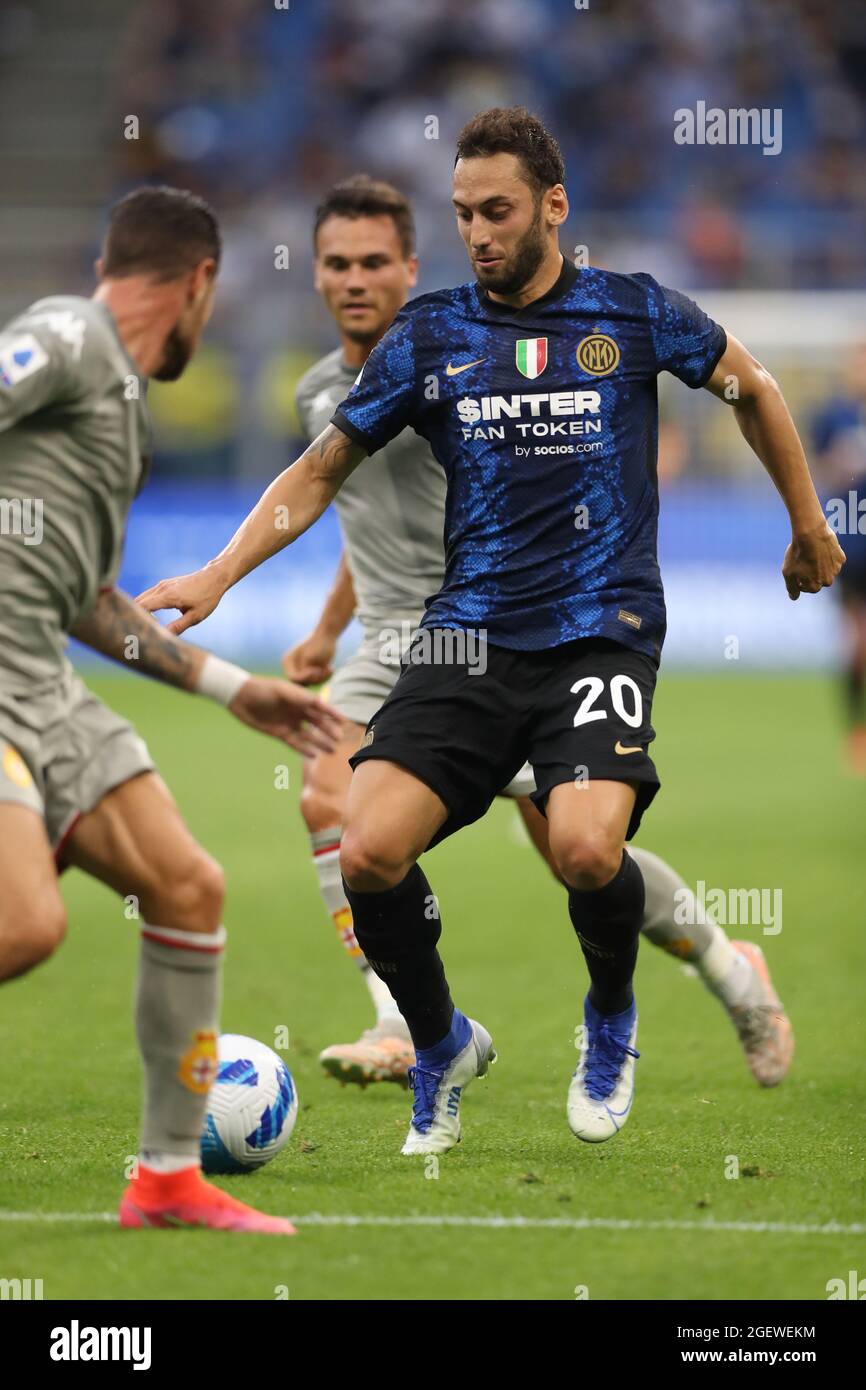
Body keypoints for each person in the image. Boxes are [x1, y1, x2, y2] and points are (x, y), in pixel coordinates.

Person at [138, 109, 843, 1155]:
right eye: (463, 212)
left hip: (599, 632)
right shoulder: (430, 338)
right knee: (367, 847)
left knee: (584, 847)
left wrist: (804, 521)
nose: (478, 232)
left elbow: (755, 387)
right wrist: (220, 572)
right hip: (462, 639)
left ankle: (609, 1016)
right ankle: (436, 1040)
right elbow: (325, 472)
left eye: (496, 211)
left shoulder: (631, 311)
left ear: (553, 207)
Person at [287, 174, 795, 1092]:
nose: (353, 281)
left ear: (411, 269)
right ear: (315, 277)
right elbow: (363, 524)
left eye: (373, 263)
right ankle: (402, 1020)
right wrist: (329, 631)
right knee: (330, 798)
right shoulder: (320, 392)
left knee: (580, 854)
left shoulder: (461, 354)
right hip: (398, 642)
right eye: (334, 264)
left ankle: (729, 967)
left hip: (509, 632)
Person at [0, 186, 342, 1233]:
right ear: (198, 281)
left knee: (187, 887)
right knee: (26, 924)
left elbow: (91, 602)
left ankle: (165, 1181)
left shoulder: (120, 409)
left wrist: (236, 688)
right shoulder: (64, 334)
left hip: (46, 684)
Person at [811, 344, 866, 774]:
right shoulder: (834, 416)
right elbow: (821, 471)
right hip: (851, 540)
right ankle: (856, 730)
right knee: (857, 641)